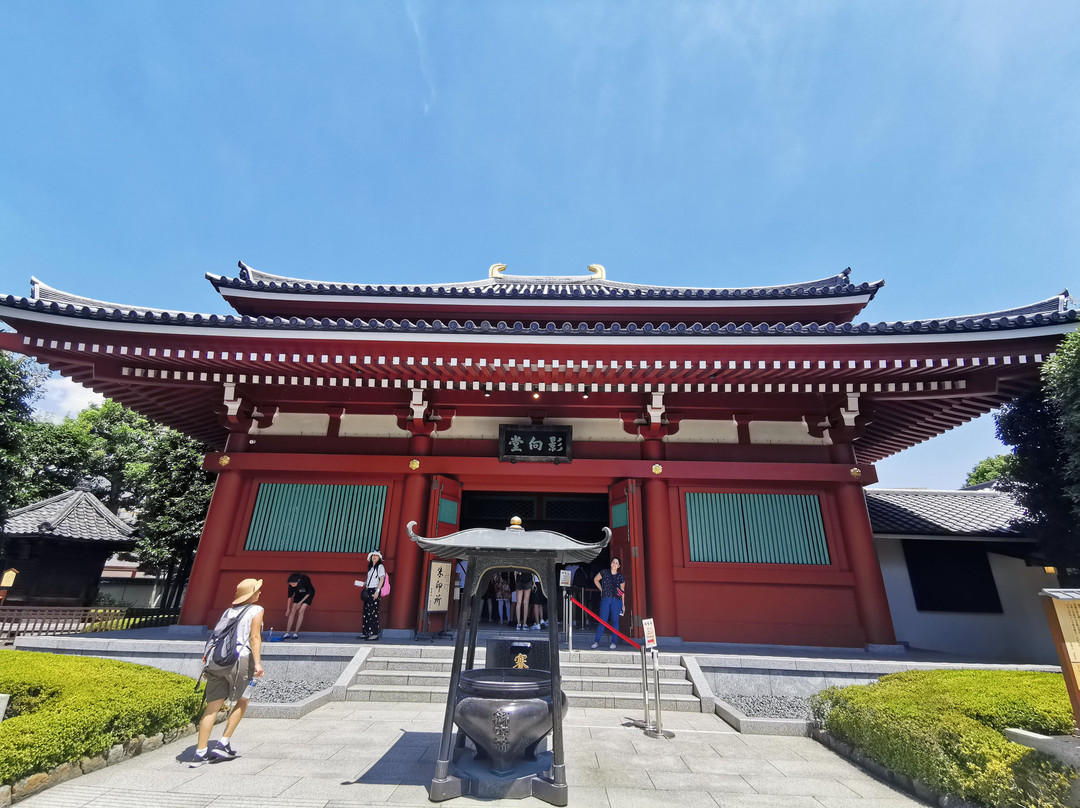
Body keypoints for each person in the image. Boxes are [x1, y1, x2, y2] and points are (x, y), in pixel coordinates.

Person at [189, 578, 264, 767]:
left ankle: (200, 752)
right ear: (252, 595)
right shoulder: (257, 610)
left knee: (212, 707)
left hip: (216, 661)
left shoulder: (228, 611)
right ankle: (223, 742)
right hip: (240, 660)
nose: (259, 593)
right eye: (257, 591)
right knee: (242, 700)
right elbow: (255, 638)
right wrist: (258, 664)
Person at [591, 557, 625, 650]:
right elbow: (595, 579)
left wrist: (623, 605)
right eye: (613, 562)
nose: (614, 563)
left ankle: (614, 642)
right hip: (606, 599)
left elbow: (622, 592)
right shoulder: (604, 572)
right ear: (611, 563)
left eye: (616, 563)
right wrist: (601, 589)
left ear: (619, 566)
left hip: (616, 601)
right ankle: (596, 641)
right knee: (602, 620)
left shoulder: (620, 577)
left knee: (615, 621)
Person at [359, 551, 385, 641]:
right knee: (366, 612)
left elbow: (382, 579)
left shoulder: (380, 567)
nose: (374, 557)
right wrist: (363, 583)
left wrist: (378, 590)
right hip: (368, 589)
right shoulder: (370, 568)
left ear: (379, 558)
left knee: (374, 612)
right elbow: (369, 580)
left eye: (376, 556)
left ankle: (374, 633)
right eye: (373, 555)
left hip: (375, 590)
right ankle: (365, 632)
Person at [283, 572, 314, 639]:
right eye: (291, 584)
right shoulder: (291, 585)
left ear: (298, 581)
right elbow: (289, 597)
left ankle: (296, 633)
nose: (292, 586)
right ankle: (287, 633)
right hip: (298, 594)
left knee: (301, 610)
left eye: (294, 584)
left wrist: (300, 603)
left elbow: (309, 592)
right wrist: (288, 609)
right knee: (293, 610)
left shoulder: (305, 580)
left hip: (308, 595)